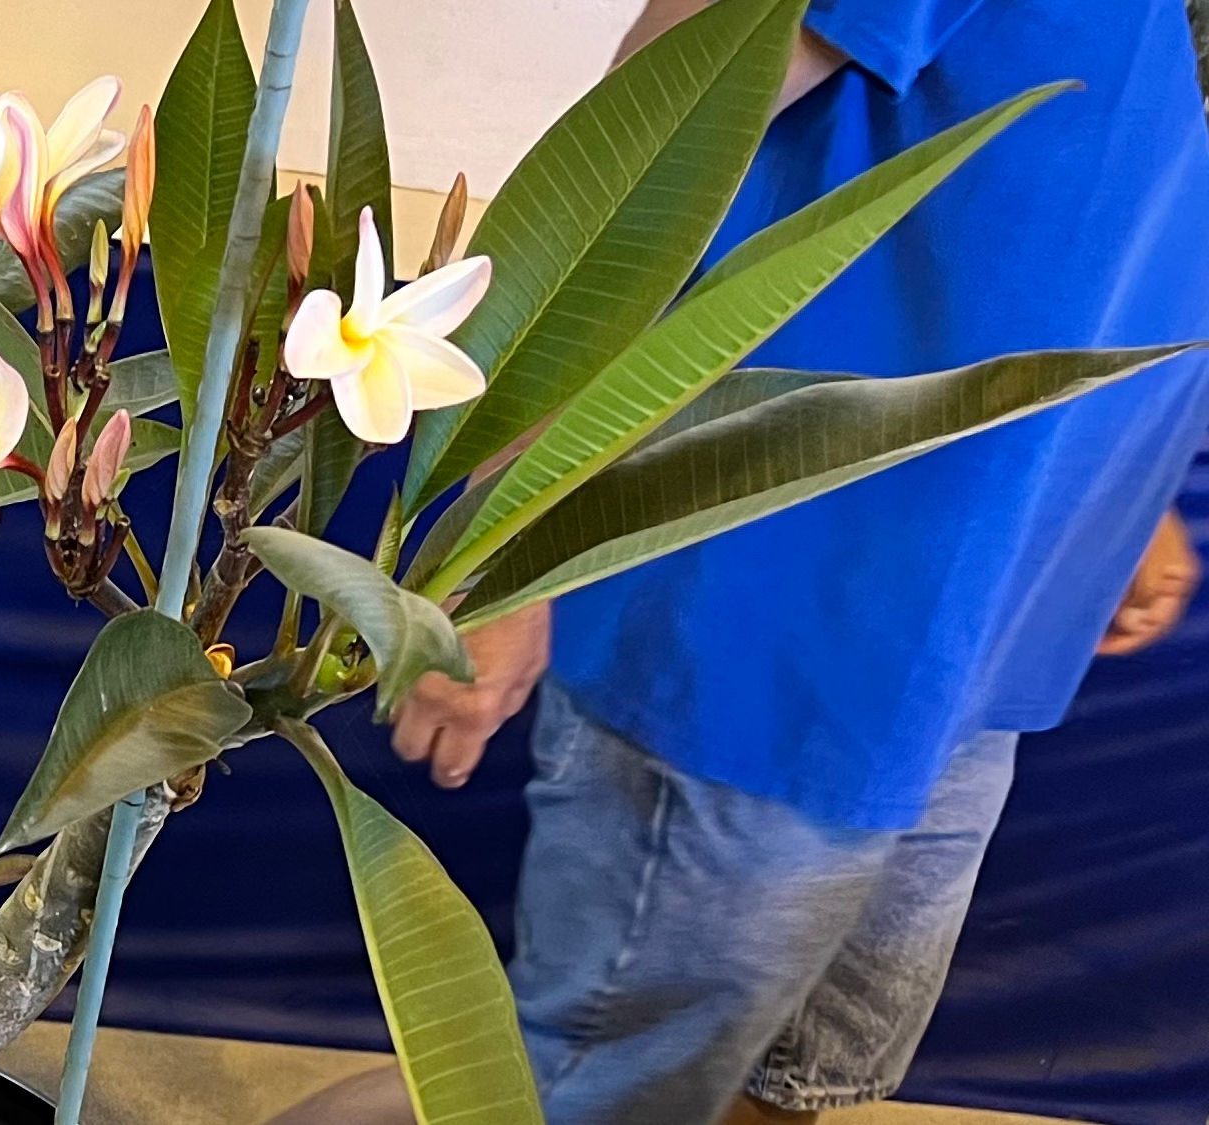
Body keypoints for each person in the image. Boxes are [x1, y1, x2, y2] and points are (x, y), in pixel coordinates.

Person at [271, 0, 1209, 1123]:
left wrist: (1112, 479)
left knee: (785, 1083)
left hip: (971, 626)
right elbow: (635, 158)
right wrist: (492, 542)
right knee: (557, 1097)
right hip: (770, 627)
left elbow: (1095, 190)